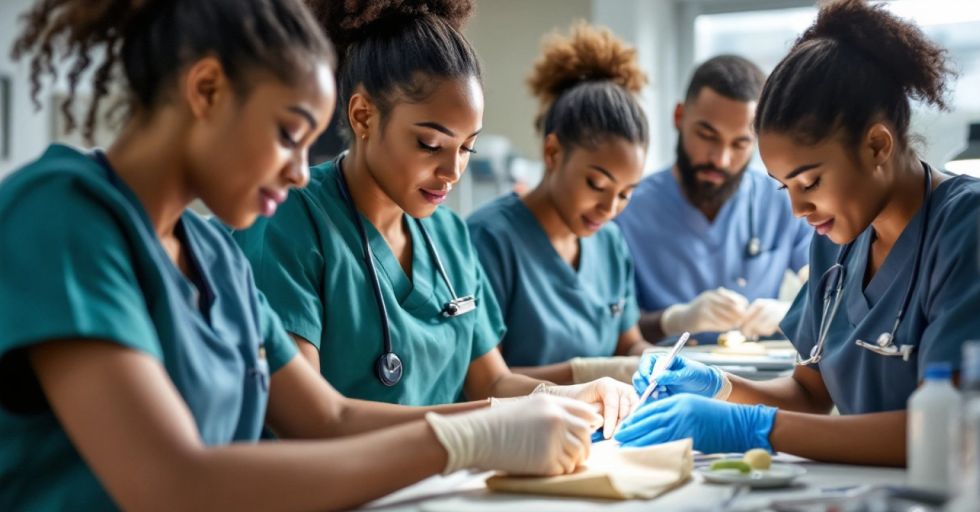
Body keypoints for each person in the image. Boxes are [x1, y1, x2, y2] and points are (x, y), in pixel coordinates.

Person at [0, 1, 602, 509]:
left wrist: (496, 420)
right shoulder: (62, 214)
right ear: (206, 90)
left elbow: (328, 419)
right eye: (289, 135)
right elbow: (171, 483)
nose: (296, 173)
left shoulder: (212, 255)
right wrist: (462, 441)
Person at [614, 0, 980, 466]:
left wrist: (758, 428)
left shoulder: (978, 225)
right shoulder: (836, 241)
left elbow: (957, 432)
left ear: (876, 145)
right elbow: (809, 393)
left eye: (809, 182)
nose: (796, 208)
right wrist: (719, 386)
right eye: (784, 186)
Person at [231, 1, 636, 434]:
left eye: (466, 147)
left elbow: (492, 381)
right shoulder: (290, 217)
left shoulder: (450, 236)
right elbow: (310, 419)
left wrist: (566, 395)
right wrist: (487, 423)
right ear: (363, 115)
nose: (453, 171)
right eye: (429, 143)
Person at [467, 23, 652, 385]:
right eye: (596, 184)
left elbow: (628, 343)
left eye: (626, 193)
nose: (609, 207)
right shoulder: (488, 240)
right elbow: (485, 382)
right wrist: (588, 374)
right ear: (552, 152)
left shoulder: (610, 243)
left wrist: (651, 362)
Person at [614, 55, 813, 344]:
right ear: (679, 117)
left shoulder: (782, 202)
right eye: (707, 135)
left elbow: (830, 289)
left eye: (740, 143)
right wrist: (675, 319)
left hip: (760, 378)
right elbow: (616, 331)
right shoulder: (627, 209)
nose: (720, 159)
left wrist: (794, 312)